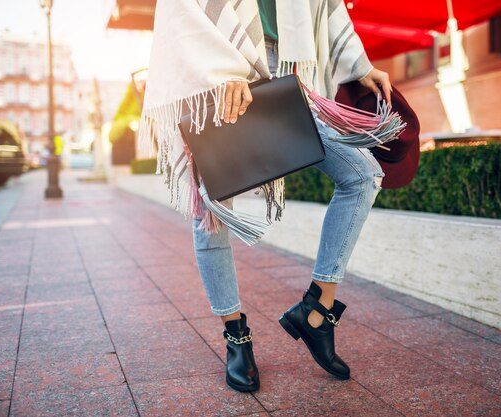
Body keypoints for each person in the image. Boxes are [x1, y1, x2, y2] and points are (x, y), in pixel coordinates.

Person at [139, 0, 392, 392]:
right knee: (213, 210)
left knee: (362, 173)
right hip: (218, 72)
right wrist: (221, 69)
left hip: (284, 67)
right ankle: (236, 337)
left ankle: (316, 311)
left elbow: (326, 6)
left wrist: (360, 65)